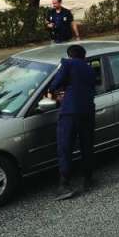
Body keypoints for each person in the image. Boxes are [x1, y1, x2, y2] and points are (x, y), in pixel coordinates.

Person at [47, 44, 96, 200]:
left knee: (65, 147)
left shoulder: (68, 64)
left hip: (70, 113)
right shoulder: (89, 69)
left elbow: (55, 84)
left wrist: (55, 93)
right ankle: (88, 179)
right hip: (88, 111)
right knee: (86, 145)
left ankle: (64, 185)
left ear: (70, 55)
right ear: (83, 56)